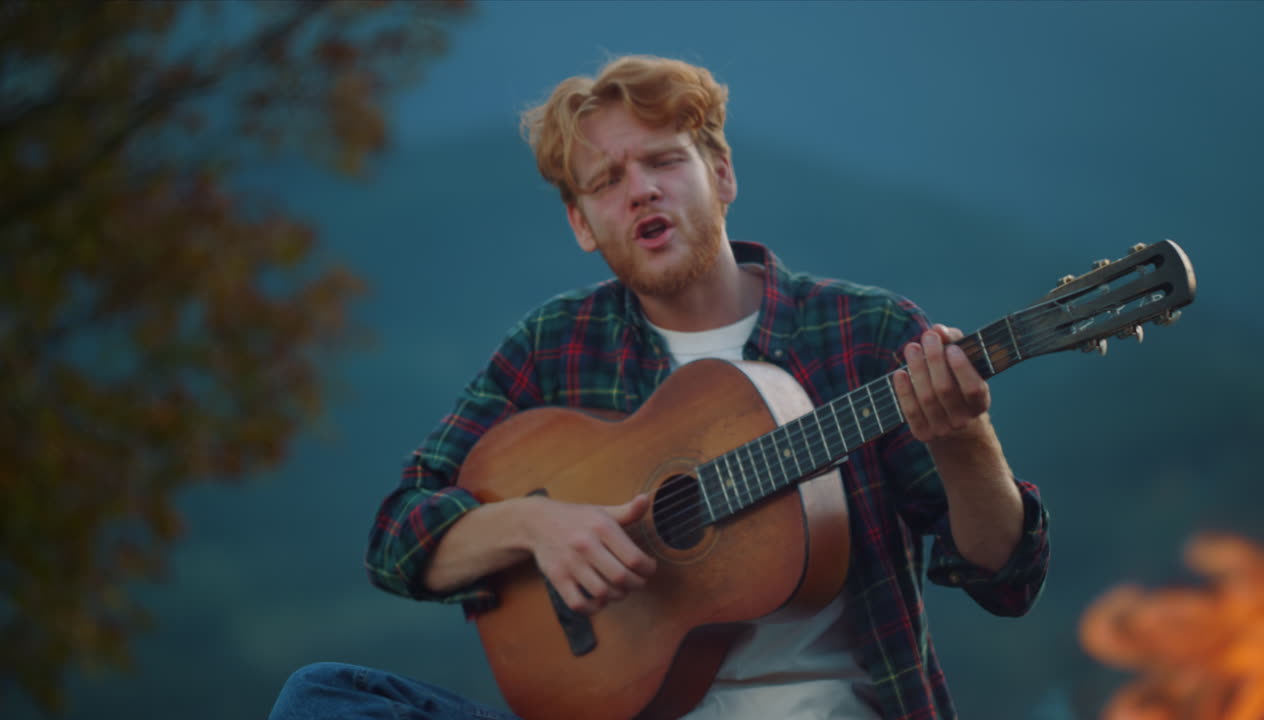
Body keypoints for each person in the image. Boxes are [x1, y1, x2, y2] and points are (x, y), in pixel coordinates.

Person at [269, 55, 1050, 720]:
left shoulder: (866, 333)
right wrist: (531, 529)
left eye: (663, 161)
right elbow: (395, 539)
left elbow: (1005, 580)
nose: (640, 190)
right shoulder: (556, 345)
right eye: (607, 180)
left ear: (720, 173)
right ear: (582, 224)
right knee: (322, 698)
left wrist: (963, 440)